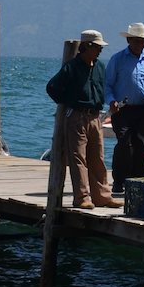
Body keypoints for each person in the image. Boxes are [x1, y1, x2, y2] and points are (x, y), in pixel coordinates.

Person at [46, 30, 119, 209]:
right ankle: (81, 197)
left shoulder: (100, 67)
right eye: (97, 47)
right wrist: (68, 101)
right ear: (87, 46)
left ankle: (102, 196)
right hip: (77, 116)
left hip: (95, 117)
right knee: (78, 159)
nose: (100, 50)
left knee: (97, 157)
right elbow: (52, 87)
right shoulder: (72, 66)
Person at [105, 22, 144, 193]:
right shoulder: (117, 59)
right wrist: (111, 101)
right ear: (129, 40)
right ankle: (119, 180)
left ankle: (137, 181)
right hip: (121, 109)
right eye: (137, 41)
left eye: (143, 41)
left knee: (140, 145)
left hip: (143, 111)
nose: (140, 44)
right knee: (123, 142)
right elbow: (107, 84)